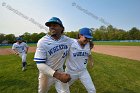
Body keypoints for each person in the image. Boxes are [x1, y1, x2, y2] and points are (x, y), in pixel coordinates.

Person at [34, 17, 73, 93]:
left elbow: (78, 43)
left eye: (55, 25)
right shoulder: (43, 41)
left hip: (60, 70)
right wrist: (58, 76)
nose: (51, 27)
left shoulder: (67, 40)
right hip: (46, 73)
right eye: (50, 26)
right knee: (42, 91)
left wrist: (88, 42)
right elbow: (40, 64)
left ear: (62, 28)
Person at [65, 28, 96, 93]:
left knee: (92, 90)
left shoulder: (88, 45)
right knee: (64, 89)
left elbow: (89, 54)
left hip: (83, 71)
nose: (88, 40)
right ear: (80, 35)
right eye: (86, 37)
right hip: (71, 72)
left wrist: (91, 61)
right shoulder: (71, 42)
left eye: (89, 38)